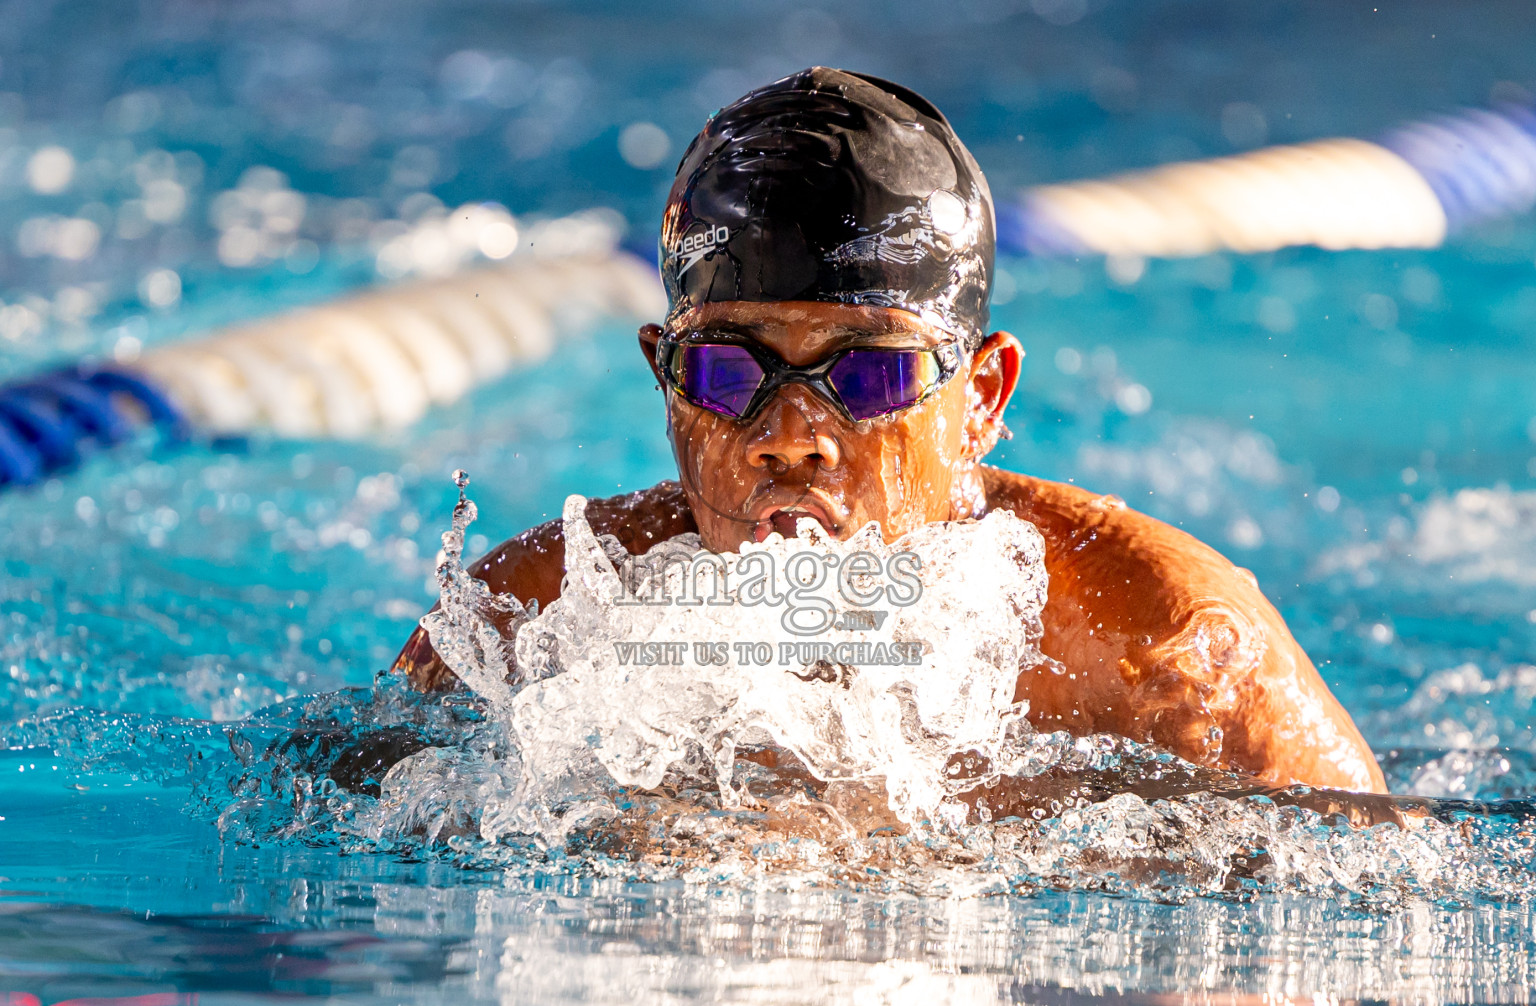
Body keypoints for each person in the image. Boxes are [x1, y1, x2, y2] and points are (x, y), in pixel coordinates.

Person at [394, 67, 1388, 797]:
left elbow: (1374, 894)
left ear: (985, 396)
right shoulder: (538, 618)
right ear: (665, 379)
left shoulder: (1165, 640)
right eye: (728, 369)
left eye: (866, 373)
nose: (789, 436)